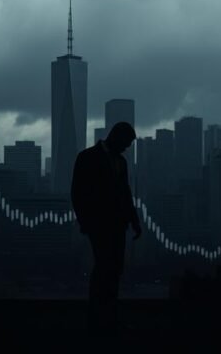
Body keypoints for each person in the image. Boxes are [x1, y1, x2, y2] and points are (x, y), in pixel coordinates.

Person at [71, 121, 142, 335]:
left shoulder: (120, 161)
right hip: (99, 224)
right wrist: (86, 221)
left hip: (117, 224)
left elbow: (125, 192)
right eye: (127, 142)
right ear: (117, 137)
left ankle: (106, 318)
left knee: (114, 269)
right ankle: (99, 319)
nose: (127, 147)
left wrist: (134, 220)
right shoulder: (87, 157)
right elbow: (78, 192)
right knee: (105, 268)